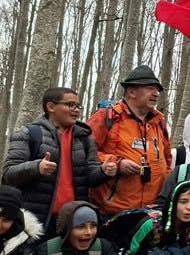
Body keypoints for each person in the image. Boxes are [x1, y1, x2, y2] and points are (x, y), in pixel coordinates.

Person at [3, 87, 114, 237]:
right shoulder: (28, 134)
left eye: (78, 106)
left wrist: (104, 171)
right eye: (70, 105)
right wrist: (37, 167)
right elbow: (9, 174)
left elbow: (89, 177)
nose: (76, 110)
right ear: (51, 107)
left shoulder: (85, 138)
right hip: (35, 221)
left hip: (73, 222)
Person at [87, 65, 172, 217]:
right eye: (150, 88)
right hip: (113, 213)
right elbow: (85, 154)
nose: (156, 94)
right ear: (131, 92)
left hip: (150, 213)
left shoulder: (159, 122)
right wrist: (118, 164)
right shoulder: (106, 117)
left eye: (157, 90)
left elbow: (167, 161)